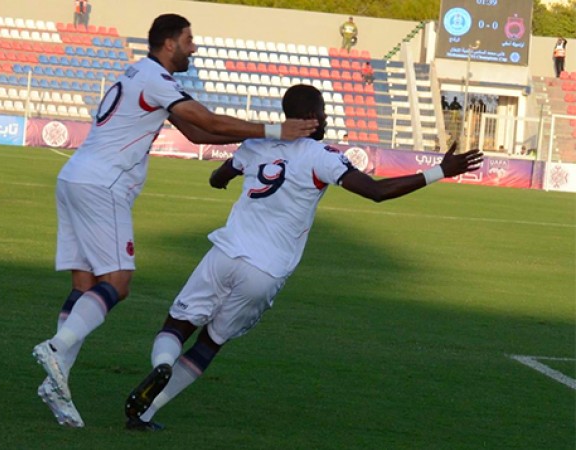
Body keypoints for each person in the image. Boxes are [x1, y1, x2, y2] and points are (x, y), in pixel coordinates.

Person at [123, 84, 484, 431]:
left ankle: (162, 363)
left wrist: (224, 178)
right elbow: (376, 192)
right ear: (312, 116)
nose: (326, 118)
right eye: (323, 112)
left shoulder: (258, 143)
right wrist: (441, 170)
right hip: (266, 270)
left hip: (226, 252)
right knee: (211, 342)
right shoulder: (321, 156)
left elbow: (220, 176)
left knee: (177, 324)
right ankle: (148, 409)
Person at [31, 13, 317, 429]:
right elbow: (207, 121)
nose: (193, 47)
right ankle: (57, 348)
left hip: (75, 177)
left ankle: (57, 384)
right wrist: (276, 129)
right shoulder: (155, 78)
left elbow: (199, 136)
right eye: (188, 39)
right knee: (118, 282)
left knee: (84, 286)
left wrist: (263, 137)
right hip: (104, 184)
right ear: (169, 43)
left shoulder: (136, 75)